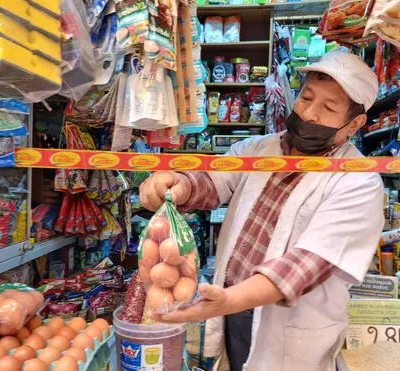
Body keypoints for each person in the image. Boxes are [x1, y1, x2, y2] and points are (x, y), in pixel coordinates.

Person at [139, 51, 385, 370]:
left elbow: (310, 261)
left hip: (289, 326)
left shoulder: (359, 180)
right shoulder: (258, 150)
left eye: (328, 108)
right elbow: (213, 180)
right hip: (230, 310)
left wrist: (231, 300)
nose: (309, 113)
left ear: (354, 124)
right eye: (306, 98)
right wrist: (177, 182)